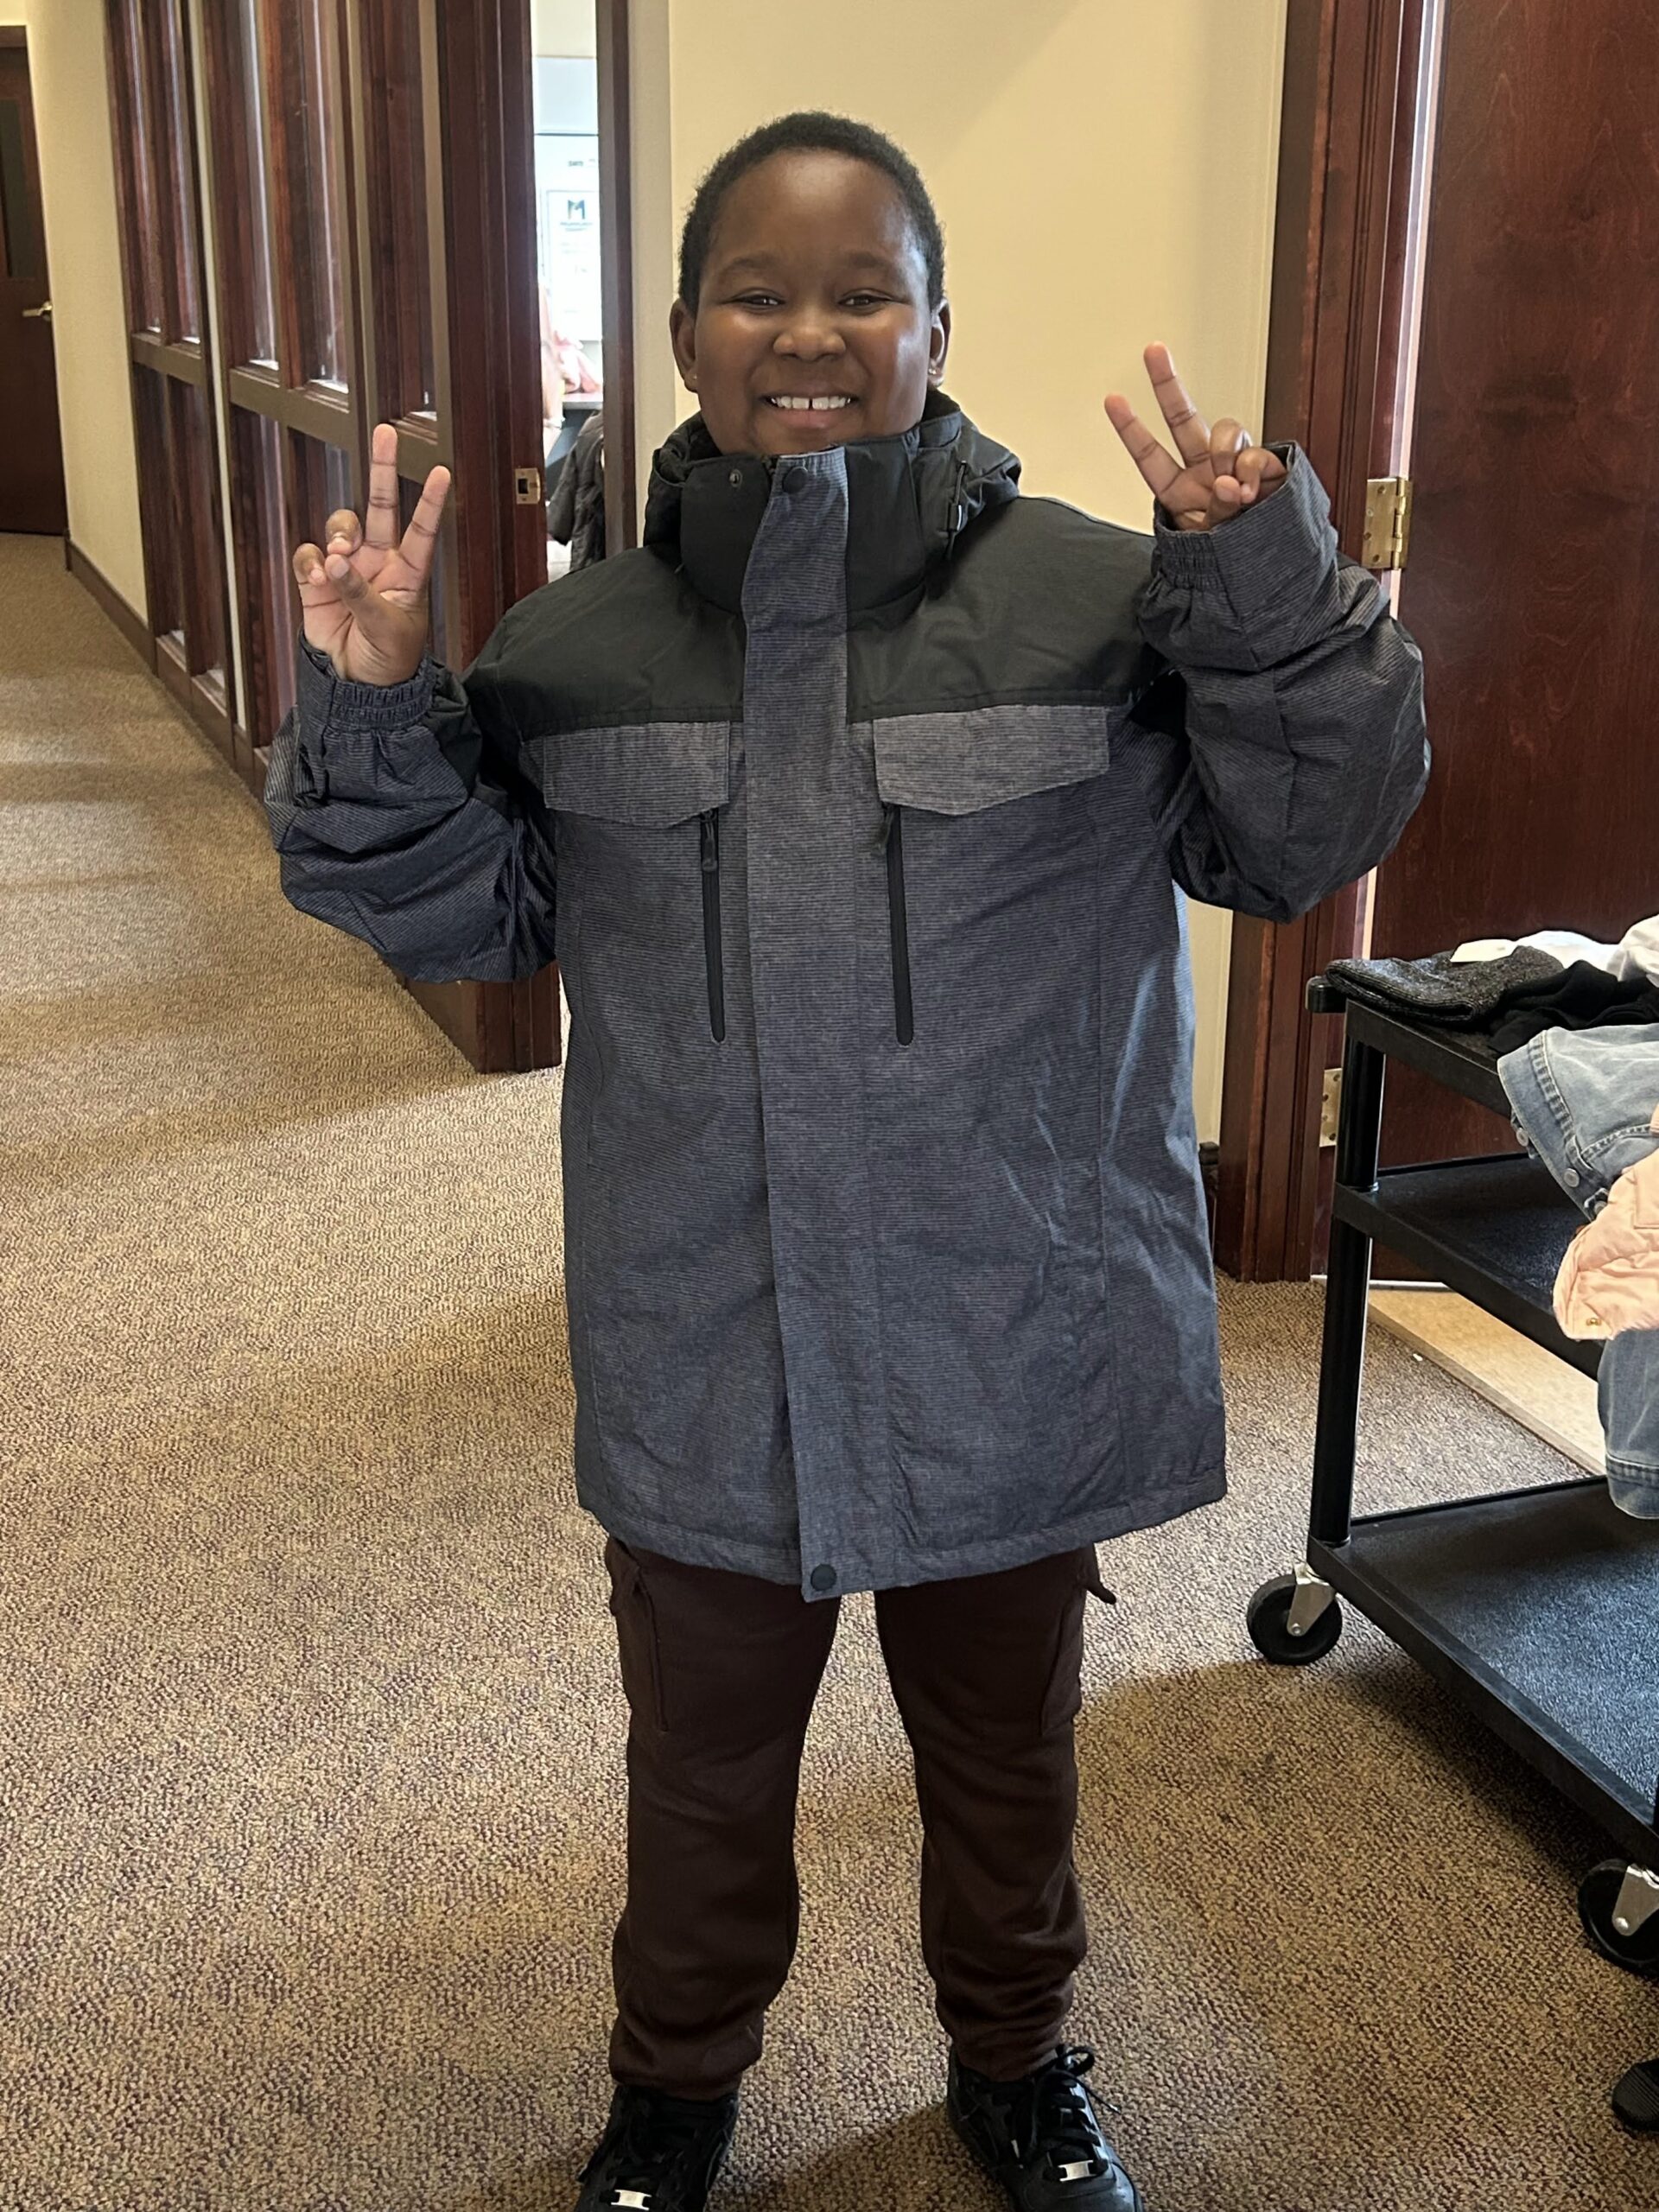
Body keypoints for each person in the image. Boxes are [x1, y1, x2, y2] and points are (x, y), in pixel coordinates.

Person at [266, 111, 1427, 2212]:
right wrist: (369, 703)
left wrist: (1264, 589)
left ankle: (1023, 2057)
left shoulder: (1103, 601)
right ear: (686, 331)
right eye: (760, 291)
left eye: (863, 289)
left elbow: (1299, 835)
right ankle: (675, 2088)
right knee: (702, 1757)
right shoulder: (573, 646)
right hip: (707, 1315)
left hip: (1011, 1303)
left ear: (939, 322)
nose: (812, 332)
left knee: (1005, 1741)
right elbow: (462, 919)